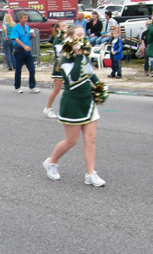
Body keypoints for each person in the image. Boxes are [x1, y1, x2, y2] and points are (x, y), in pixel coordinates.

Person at [42, 24, 106, 187]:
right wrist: (78, 55)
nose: (82, 38)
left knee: (90, 139)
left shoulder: (84, 56)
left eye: (84, 35)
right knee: (71, 141)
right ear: (70, 38)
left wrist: (100, 87)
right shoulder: (65, 59)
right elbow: (74, 77)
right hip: (72, 103)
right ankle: (51, 162)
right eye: (78, 35)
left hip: (88, 101)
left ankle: (90, 174)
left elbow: (90, 73)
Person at [43, 20, 69, 118]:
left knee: (69, 89)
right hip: (60, 66)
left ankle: (66, 110)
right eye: (63, 26)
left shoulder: (68, 38)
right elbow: (59, 53)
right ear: (58, 28)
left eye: (66, 25)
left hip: (68, 66)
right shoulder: (57, 40)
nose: (66, 27)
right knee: (57, 90)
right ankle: (48, 108)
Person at [11, 13, 40, 94]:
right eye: (24, 17)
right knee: (18, 69)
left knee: (32, 69)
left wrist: (31, 36)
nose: (26, 19)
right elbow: (16, 39)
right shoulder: (15, 28)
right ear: (20, 19)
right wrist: (24, 46)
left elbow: (26, 37)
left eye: (26, 17)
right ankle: (17, 87)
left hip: (27, 51)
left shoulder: (27, 27)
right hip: (19, 50)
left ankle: (32, 86)